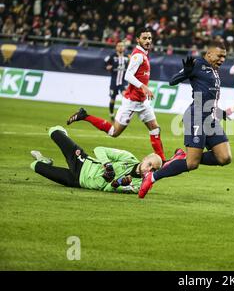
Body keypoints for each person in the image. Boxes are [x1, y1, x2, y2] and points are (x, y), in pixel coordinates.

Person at [137, 41, 232, 199]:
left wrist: (218, 111)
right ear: (208, 54)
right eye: (219, 56)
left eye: (224, 57)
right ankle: (152, 177)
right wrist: (185, 72)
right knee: (191, 164)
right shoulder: (196, 64)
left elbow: (207, 94)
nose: (222, 59)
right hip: (196, 117)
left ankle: (180, 158)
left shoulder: (214, 69)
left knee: (224, 158)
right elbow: (172, 81)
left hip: (210, 117)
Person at [66, 28, 167, 162]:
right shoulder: (138, 56)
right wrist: (143, 86)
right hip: (132, 101)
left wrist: (143, 88)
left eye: (149, 38)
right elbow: (128, 75)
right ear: (138, 40)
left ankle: (162, 160)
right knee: (114, 132)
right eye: (145, 38)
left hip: (143, 102)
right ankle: (84, 115)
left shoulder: (144, 54)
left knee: (155, 128)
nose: (148, 41)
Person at [29, 125, 164, 194]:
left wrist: (117, 182)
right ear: (145, 158)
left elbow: (107, 189)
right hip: (82, 163)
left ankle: (43, 160)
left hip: (76, 182)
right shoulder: (128, 158)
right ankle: (64, 134)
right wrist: (107, 164)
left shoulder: (140, 185)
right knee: (54, 131)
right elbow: (99, 149)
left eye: (153, 169)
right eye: (150, 164)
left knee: (35, 166)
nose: (149, 169)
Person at [104, 41, 129, 121]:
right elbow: (105, 64)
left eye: (122, 46)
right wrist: (107, 67)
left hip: (123, 82)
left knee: (125, 97)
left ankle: (124, 116)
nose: (121, 47)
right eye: (119, 46)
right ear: (116, 47)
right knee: (112, 99)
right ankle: (111, 114)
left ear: (124, 47)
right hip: (114, 81)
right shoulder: (112, 56)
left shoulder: (127, 57)